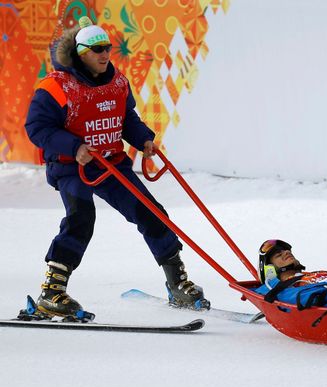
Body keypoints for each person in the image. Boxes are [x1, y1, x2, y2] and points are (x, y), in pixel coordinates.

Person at [24, 17, 209, 319]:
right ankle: (52, 292)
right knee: (81, 218)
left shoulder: (117, 82)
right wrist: (75, 147)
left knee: (151, 211)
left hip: (111, 164)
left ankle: (177, 282)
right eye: (96, 49)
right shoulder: (57, 87)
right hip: (74, 167)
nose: (104, 54)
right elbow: (37, 127)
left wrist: (143, 139)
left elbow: (127, 119)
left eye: (106, 48)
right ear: (80, 53)